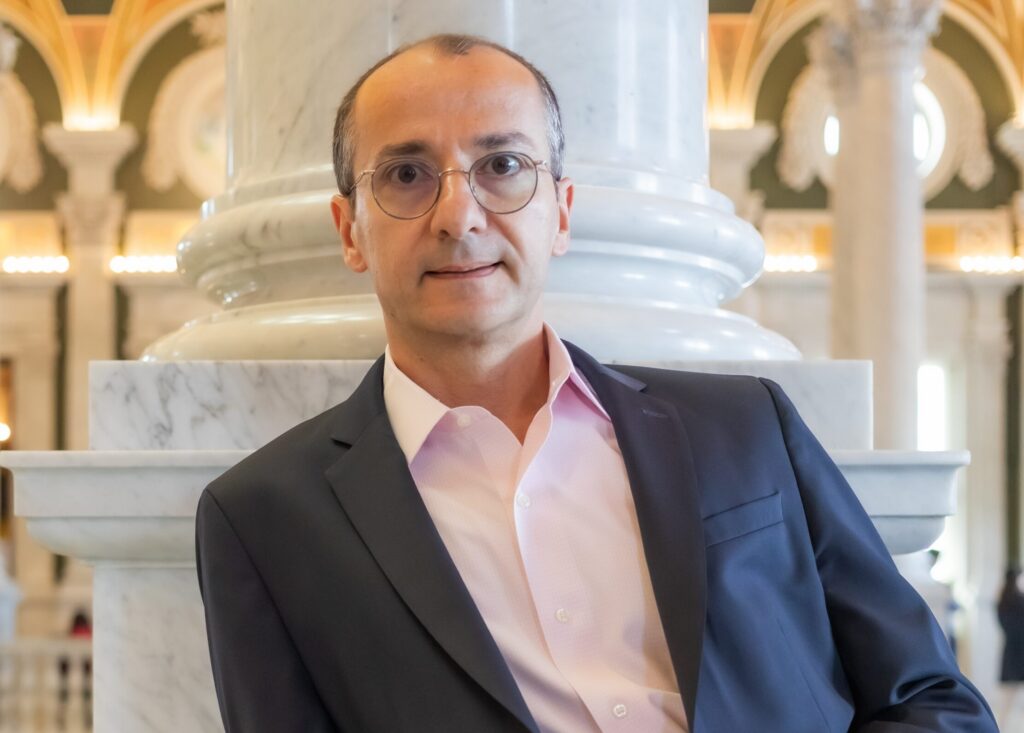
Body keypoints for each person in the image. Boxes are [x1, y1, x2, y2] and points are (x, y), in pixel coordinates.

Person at [195, 34, 997, 732]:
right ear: (350, 231)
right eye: (407, 174)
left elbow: (931, 699)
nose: (459, 216)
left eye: (503, 165)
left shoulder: (747, 427)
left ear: (562, 211)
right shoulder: (265, 518)